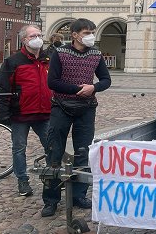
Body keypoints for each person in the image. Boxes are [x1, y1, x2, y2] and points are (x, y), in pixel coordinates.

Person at [41, 18, 111, 217]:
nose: (90, 36)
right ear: (74, 35)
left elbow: (106, 79)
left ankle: (79, 195)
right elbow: (52, 82)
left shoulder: (96, 54)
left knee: (83, 152)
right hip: (61, 107)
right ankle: (51, 199)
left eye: (92, 31)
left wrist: (94, 87)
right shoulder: (60, 53)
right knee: (54, 152)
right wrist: (77, 89)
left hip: (86, 108)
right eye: (86, 32)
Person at [0, 25, 52, 197]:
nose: (37, 38)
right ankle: (22, 180)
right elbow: (3, 87)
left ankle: (52, 178)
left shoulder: (48, 59)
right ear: (24, 40)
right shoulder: (13, 61)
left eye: (39, 35)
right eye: (33, 35)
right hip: (20, 113)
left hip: (44, 112)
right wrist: (3, 113)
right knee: (19, 149)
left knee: (52, 147)